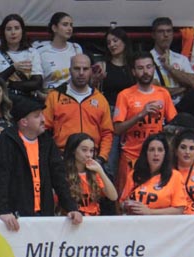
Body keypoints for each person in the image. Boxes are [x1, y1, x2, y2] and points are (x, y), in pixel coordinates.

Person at [0, 97, 82, 232]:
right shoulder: (7, 140)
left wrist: (71, 207)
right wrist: (3, 210)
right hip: (16, 215)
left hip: (44, 212)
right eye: (37, 116)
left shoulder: (47, 141)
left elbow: (59, 177)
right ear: (24, 122)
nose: (43, 119)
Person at [113, 52, 177, 194]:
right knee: (127, 197)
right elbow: (117, 129)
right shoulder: (125, 95)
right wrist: (140, 114)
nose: (145, 72)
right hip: (132, 155)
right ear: (134, 72)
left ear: (154, 68)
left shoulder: (163, 93)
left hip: (157, 156)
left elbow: (174, 123)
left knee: (157, 195)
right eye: (140, 68)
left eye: (149, 67)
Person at [43, 54, 114, 163]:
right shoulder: (55, 96)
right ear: (70, 70)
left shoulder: (100, 99)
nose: (81, 73)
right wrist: (53, 155)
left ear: (91, 71)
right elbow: (44, 129)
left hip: (91, 158)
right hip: (62, 157)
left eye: (85, 69)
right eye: (77, 68)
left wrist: (101, 158)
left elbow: (107, 133)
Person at [91, 27, 136, 179]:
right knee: (111, 157)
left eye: (115, 40)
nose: (112, 45)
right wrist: (96, 79)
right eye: (108, 42)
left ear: (124, 41)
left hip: (132, 113)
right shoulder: (103, 65)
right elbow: (92, 89)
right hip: (110, 112)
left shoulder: (133, 65)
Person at [119, 133, 186, 215]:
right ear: (146, 153)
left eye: (160, 150)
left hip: (161, 225)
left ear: (165, 154)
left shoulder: (175, 176)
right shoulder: (134, 173)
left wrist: (150, 212)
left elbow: (179, 210)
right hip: (135, 224)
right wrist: (126, 205)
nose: (156, 154)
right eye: (152, 150)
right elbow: (121, 203)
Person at [0, 14, 43, 99]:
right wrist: (14, 67)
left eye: (17, 28)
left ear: (22, 31)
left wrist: (9, 83)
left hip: (26, 99)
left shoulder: (32, 52)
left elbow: (37, 83)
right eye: (9, 29)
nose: (13, 32)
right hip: (2, 99)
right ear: (3, 32)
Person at [62, 133, 118, 216]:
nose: (89, 155)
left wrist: (100, 171)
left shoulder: (95, 172)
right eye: (84, 150)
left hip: (94, 221)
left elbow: (113, 197)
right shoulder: (63, 173)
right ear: (73, 150)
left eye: (91, 151)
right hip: (73, 221)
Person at [149, 17, 194, 105]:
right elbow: (154, 89)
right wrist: (183, 89)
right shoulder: (147, 58)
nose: (166, 35)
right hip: (158, 106)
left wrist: (169, 68)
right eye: (161, 31)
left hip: (182, 107)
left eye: (169, 31)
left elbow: (193, 82)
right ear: (153, 35)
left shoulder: (181, 59)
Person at [36, 12, 83, 93]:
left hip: (72, 95)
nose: (69, 28)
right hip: (49, 95)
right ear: (54, 28)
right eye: (65, 25)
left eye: (71, 25)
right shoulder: (41, 51)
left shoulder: (76, 48)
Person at [171, 129, 194, 214]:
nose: (187, 152)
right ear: (175, 150)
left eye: (192, 148)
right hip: (175, 223)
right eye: (183, 147)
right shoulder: (166, 170)